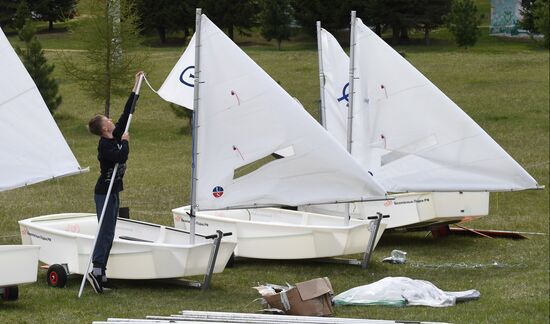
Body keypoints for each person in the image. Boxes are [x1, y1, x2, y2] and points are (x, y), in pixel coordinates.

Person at [86, 71, 143, 293]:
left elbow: (127, 112)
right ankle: (96, 270)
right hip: (104, 192)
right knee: (105, 231)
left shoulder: (115, 133)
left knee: (110, 231)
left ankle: (102, 273)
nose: (111, 120)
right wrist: (126, 143)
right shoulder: (105, 146)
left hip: (115, 190)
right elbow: (121, 156)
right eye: (107, 120)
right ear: (104, 129)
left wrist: (135, 87)